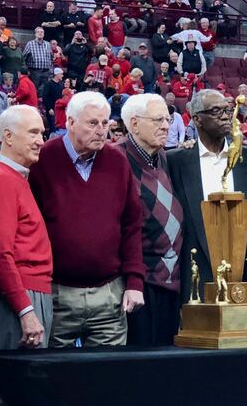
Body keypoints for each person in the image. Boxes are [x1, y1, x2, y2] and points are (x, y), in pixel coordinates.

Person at [29, 91, 145, 347]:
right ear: (70, 122)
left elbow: (132, 224)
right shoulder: (42, 160)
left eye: (106, 123)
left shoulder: (117, 161)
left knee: (108, 381)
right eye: (93, 123)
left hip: (109, 294)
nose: (101, 130)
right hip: (57, 293)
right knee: (56, 382)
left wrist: (135, 280)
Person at [167, 89, 247, 301]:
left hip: (242, 277)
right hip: (193, 278)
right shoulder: (176, 161)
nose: (225, 116)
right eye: (216, 111)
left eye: (227, 110)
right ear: (197, 119)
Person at [0, 105, 53, 360]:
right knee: (22, 387)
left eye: (41, 133)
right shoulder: (2, 180)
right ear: (8, 136)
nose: (40, 141)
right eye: (32, 133)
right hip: (20, 295)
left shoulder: (14, 177)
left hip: (28, 291)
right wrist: (25, 309)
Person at [119, 94, 184, 346]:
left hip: (171, 282)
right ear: (134, 124)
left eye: (168, 120)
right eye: (158, 120)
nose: (166, 126)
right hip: (137, 284)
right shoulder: (115, 160)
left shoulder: (166, 158)